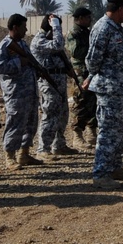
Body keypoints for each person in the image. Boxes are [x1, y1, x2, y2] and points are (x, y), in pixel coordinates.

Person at [83, 0, 123, 189]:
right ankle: (101, 173)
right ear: (120, 8)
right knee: (108, 132)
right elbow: (92, 60)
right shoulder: (102, 28)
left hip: (120, 89)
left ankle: (114, 167)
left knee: (121, 131)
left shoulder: (115, 28)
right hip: (108, 89)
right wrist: (95, 76)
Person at [0, 14, 40, 169]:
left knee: (30, 123)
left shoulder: (22, 44)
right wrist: (18, 61)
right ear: (15, 27)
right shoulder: (5, 46)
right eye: (23, 26)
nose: (26, 29)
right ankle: (10, 156)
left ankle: (24, 154)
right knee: (15, 124)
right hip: (16, 93)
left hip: (29, 92)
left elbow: (31, 61)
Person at [31, 13, 78, 158]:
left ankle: (59, 145)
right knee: (50, 114)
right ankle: (43, 149)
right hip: (48, 83)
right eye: (57, 27)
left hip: (60, 81)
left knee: (63, 114)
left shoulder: (50, 39)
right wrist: (56, 25)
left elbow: (61, 53)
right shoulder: (39, 41)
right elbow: (58, 44)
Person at [66, 6, 98, 148]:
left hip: (90, 71)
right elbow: (76, 51)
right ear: (79, 19)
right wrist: (92, 48)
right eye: (87, 17)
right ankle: (77, 134)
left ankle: (92, 132)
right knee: (80, 101)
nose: (90, 20)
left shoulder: (87, 32)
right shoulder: (74, 33)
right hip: (80, 72)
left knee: (93, 101)